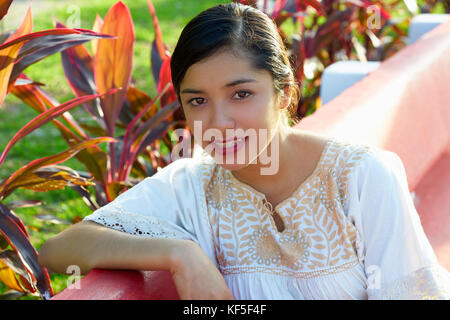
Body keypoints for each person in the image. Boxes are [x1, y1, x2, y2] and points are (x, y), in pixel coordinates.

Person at [38, 3, 450, 300]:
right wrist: (180, 254)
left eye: (241, 94)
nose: (218, 122)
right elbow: (58, 249)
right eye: (197, 101)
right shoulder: (191, 188)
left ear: (285, 93)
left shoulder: (362, 176)